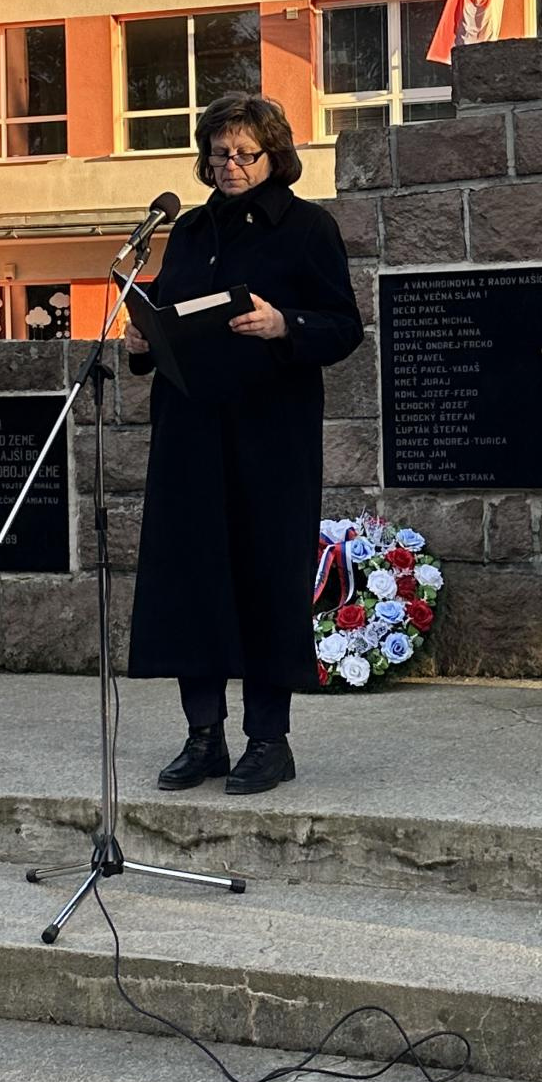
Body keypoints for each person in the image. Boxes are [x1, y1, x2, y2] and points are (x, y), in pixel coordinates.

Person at [125, 93, 364, 794]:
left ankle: (268, 740)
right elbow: (173, 315)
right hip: (190, 431)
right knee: (191, 578)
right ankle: (204, 736)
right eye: (218, 153)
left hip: (269, 436)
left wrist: (284, 323)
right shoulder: (190, 231)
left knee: (264, 580)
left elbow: (343, 325)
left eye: (244, 153)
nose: (229, 165)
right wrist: (143, 341)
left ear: (273, 156)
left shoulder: (308, 227)